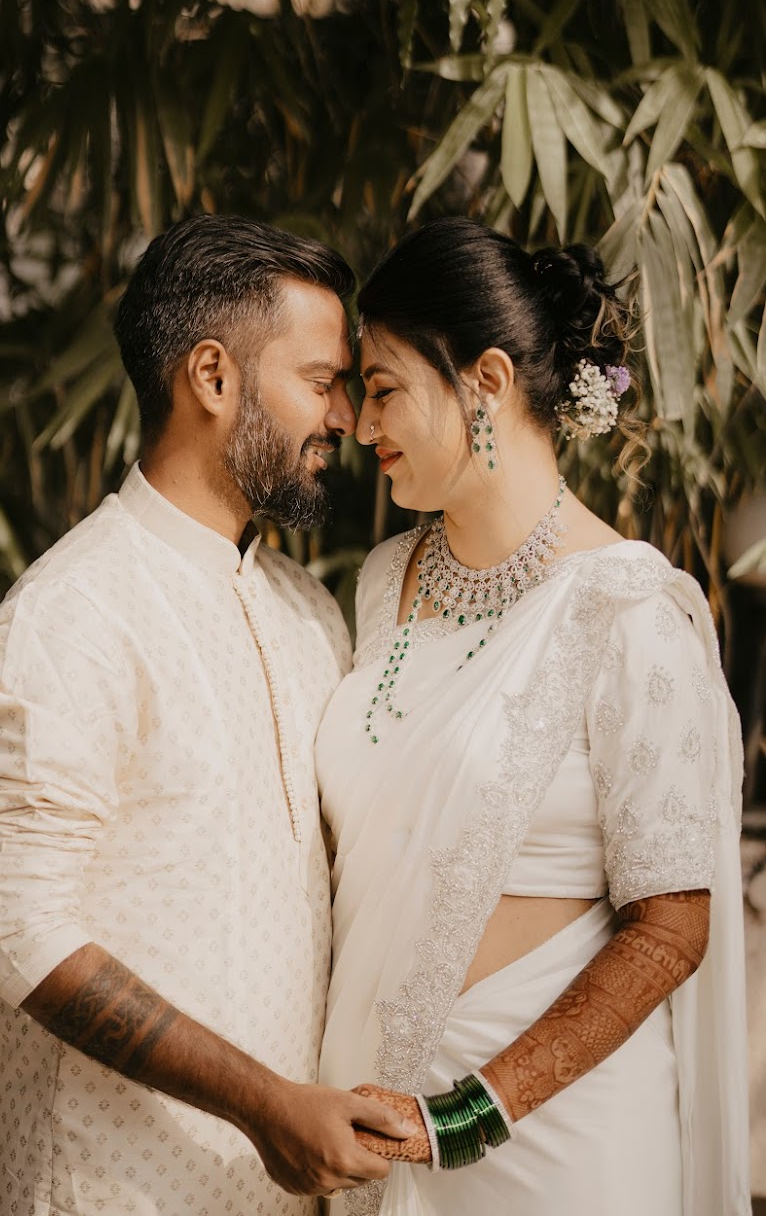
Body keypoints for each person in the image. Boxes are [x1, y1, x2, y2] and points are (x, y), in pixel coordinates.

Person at [0, 215, 412, 1216]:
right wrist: (266, 1106)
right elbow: (21, 933)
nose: (347, 416)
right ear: (212, 375)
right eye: (321, 379)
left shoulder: (309, 611)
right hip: (103, 1190)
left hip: (281, 1194)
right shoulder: (72, 617)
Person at [316, 217, 750, 1216]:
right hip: (369, 1120)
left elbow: (671, 926)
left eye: (383, 388)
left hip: (555, 1144)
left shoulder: (630, 610)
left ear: (489, 380)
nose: (361, 425)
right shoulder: (385, 581)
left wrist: (468, 1115)